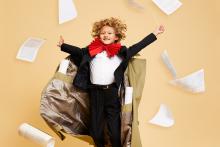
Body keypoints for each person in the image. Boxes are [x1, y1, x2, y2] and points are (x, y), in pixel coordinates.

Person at [57, 17, 164, 147]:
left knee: (114, 133)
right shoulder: (91, 50)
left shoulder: (121, 52)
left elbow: (138, 46)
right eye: (103, 33)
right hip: (95, 92)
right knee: (96, 133)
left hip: (112, 93)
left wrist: (154, 34)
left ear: (116, 36)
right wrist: (63, 45)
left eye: (109, 33)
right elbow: (78, 51)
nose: (106, 35)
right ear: (98, 35)